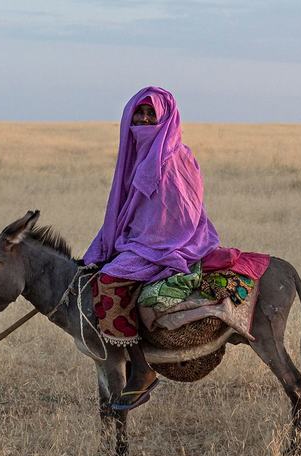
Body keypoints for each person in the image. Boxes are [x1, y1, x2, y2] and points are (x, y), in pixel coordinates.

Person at [83, 86, 220, 410]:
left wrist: (144, 243)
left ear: (166, 119)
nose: (144, 120)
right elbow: (128, 208)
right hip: (139, 238)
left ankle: (141, 366)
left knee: (109, 280)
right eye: (139, 114)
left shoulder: (177, 158)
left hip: (171, 240)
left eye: (151, 114)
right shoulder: (135, 157)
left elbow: (183, 214)